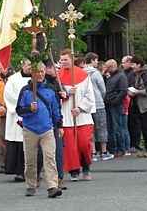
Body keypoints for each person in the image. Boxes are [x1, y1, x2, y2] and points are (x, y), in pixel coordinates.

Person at [16, 62, 63, 198]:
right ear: (32, 73)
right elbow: (19, 110)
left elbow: (56, 109)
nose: (41, 74)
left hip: (47, 128)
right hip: (30, 129)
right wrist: (29, 109)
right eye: (38, 72)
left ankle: (52, 186)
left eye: (43, 71)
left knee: (49, 158)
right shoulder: (25, 91)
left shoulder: (50, 89)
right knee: (30, 160)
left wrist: (59, 125)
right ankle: (31, 184)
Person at [58, 50, 96, 181]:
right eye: (61, 60)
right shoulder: (57, 77)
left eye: (65, 59)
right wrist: (65, 93)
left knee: (84, 144)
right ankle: (74, 170)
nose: (63, 62)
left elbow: (90, 95)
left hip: (81, 116)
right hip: (66, 115)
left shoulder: (83, 75)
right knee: (70, 146)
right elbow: (54, 95)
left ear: (72, 59)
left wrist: (80, 108)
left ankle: (86, 167)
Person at [3, 59, 31, 182]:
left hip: (33, 115)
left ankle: (33, 170)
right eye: (28, 64)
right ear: (23, 65)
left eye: (32, 65)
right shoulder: (13, 79)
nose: (30, 67)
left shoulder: (38, 77)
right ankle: (19, 171)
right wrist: (23, 107)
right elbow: (8, 95)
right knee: (18, 143)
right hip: (17, 116)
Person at [84, 53, 114, 162]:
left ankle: (93, 152)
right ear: (92, 60)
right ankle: (104, 151)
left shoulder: (82, 72)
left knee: (91, 128)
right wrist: (101, 97)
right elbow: (103, 89)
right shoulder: (96, 73)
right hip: (98, 104)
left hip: (87, 105)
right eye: (96, 60)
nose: (97, 62)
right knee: (101, 127)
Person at [128, 55, 147, 157]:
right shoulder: (137, 74)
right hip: (139, 105)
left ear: (139, 64)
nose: (132, 67)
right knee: (142, 126)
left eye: (133, 64)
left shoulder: (146, 74)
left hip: (146, 105)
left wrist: (137, 92)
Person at [44, 60, 65, 189]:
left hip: (55, 120)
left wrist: (62, 94)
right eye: (53, 68)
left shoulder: (55, 82)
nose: (56, 71)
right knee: (48, 153)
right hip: (46, 121)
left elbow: (57, 106)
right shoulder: (45, 84)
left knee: (58, 151)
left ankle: (59, 177)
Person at [104, 60, 129, 157]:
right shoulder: (111, 76)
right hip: (110, 104)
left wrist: (115, 101)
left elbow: (123, 91)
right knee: (111, 127)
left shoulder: (121, 76)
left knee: (118, 127)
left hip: (116, 105)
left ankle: (121, 148)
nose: (106, 69)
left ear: (112, 66)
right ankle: (114, 148)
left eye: (108, 67)